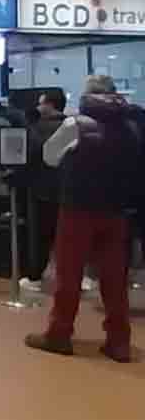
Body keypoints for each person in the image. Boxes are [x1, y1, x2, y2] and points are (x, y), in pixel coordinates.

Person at [26, 76, 140, 363]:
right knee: (115, 278)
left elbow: (50, 157)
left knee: (70, 274)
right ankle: (119, 342)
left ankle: (59, 334)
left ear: (87, 95)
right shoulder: (130, 126)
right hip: (117, 210)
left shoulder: (76, 124)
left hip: (78, 207)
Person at [21, 90, 67, 290]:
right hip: (69, 188)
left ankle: (34, 277)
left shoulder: (37, 129)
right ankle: (72, 276)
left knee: (40, 235)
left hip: (42, 188)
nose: (39, 107)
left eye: (41, 103)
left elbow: (29, 156)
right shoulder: (73, 127)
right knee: (68, 235)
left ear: (50, 105)